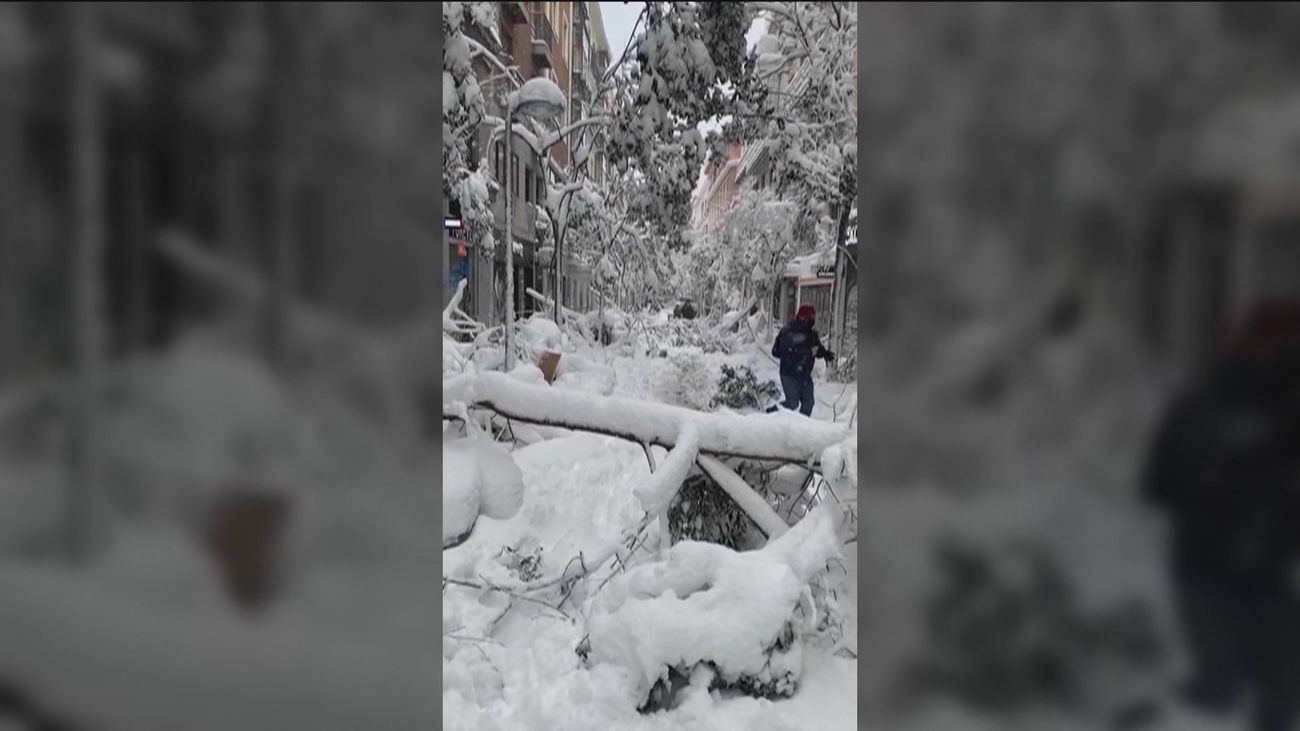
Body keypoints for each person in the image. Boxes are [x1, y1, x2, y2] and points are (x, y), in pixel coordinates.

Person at [1141, 299, 1300, 731]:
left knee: (1289, 680)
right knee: (1219, 684)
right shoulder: (1208, 399)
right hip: (1209, 568)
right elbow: (1159, 484)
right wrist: (1226, 477)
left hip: (1265, 570)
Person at [771, 304, 835, 417]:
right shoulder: (787, 332)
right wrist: (807, 352)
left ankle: (802, 428)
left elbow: (816, 348)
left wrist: (825, 353)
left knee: (808, 403)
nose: (813, 320)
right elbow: (777, 352)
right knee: (792, 403)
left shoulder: (812, 334)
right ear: (803, 318)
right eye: (811, 317)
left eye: (814, 318)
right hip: (788, 373)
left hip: (804, 374)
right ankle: (770, 415)